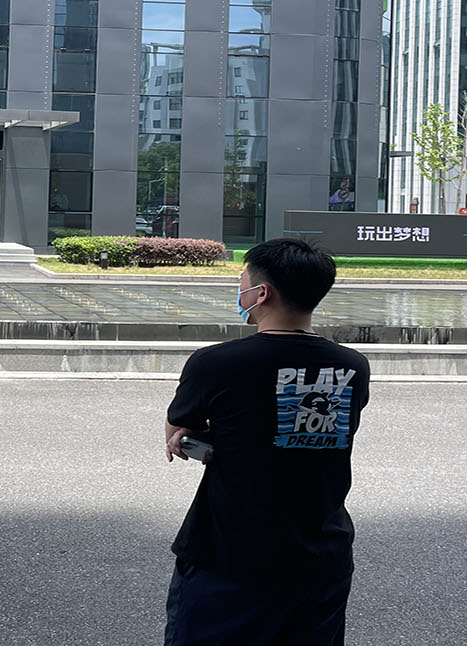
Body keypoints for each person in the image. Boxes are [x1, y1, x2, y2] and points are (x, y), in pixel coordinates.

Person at [163, 238, 370, 645]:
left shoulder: (215, 362)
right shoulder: (353, 366)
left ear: (262, 293)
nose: (239, 291)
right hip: (320, 557)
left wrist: (206, 437)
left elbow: (176, 430)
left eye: (242, 283)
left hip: (230, 556)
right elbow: (311, 435)